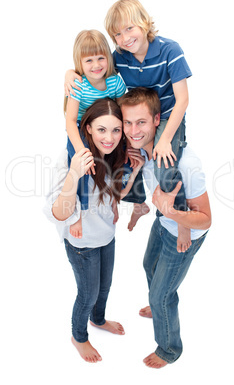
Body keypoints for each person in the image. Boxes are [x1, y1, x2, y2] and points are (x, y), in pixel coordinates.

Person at [65, 0, 192, 240]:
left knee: (164, 166)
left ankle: (181, 216)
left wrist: (164, 139)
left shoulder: (170, 50)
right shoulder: (120, 57)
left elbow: (183, 100)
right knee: (127, 156)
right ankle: (137, 202)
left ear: (144, 23)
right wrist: (69, 73)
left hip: (166, 116)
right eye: (117, 35)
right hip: (135, 119)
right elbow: (93, 66)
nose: (124, 38)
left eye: (129, 29)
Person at [44, 98, 145, 363]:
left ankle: (98, 320)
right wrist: (73, 176)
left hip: (106, 235)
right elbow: (56, 213)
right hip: (82, 243)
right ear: (87, 128)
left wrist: (135, 172)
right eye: (101, 129)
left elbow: (115, 194)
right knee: (87, 294)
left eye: (115, 130)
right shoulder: (70, 159)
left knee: (105, 287)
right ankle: (79, 336)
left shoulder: (113, 155)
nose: (110, 137)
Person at [118, 87, 211, 368]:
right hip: (164, 222)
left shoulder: (187, 163)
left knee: (162, 295)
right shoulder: (144, 152)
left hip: (186, 234)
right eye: (128, 122)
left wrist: (174, 214)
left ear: (157, 120)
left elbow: (206, 219)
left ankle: (169, 348)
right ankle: (160, 307)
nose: (134, 130)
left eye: (142, 122)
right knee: (149, 266)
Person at [65, 29, 126, 239]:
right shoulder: (79, 85)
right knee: (78, 166)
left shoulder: (115, 82)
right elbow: (70, 121)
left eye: (101, 58)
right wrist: (82, 151)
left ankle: (118, 200)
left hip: (106, 129)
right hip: (82, 129)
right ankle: (77, 213)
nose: (96, 65)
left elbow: (120, 113)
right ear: (80, 63)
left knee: (126, 156)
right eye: (88, 60)